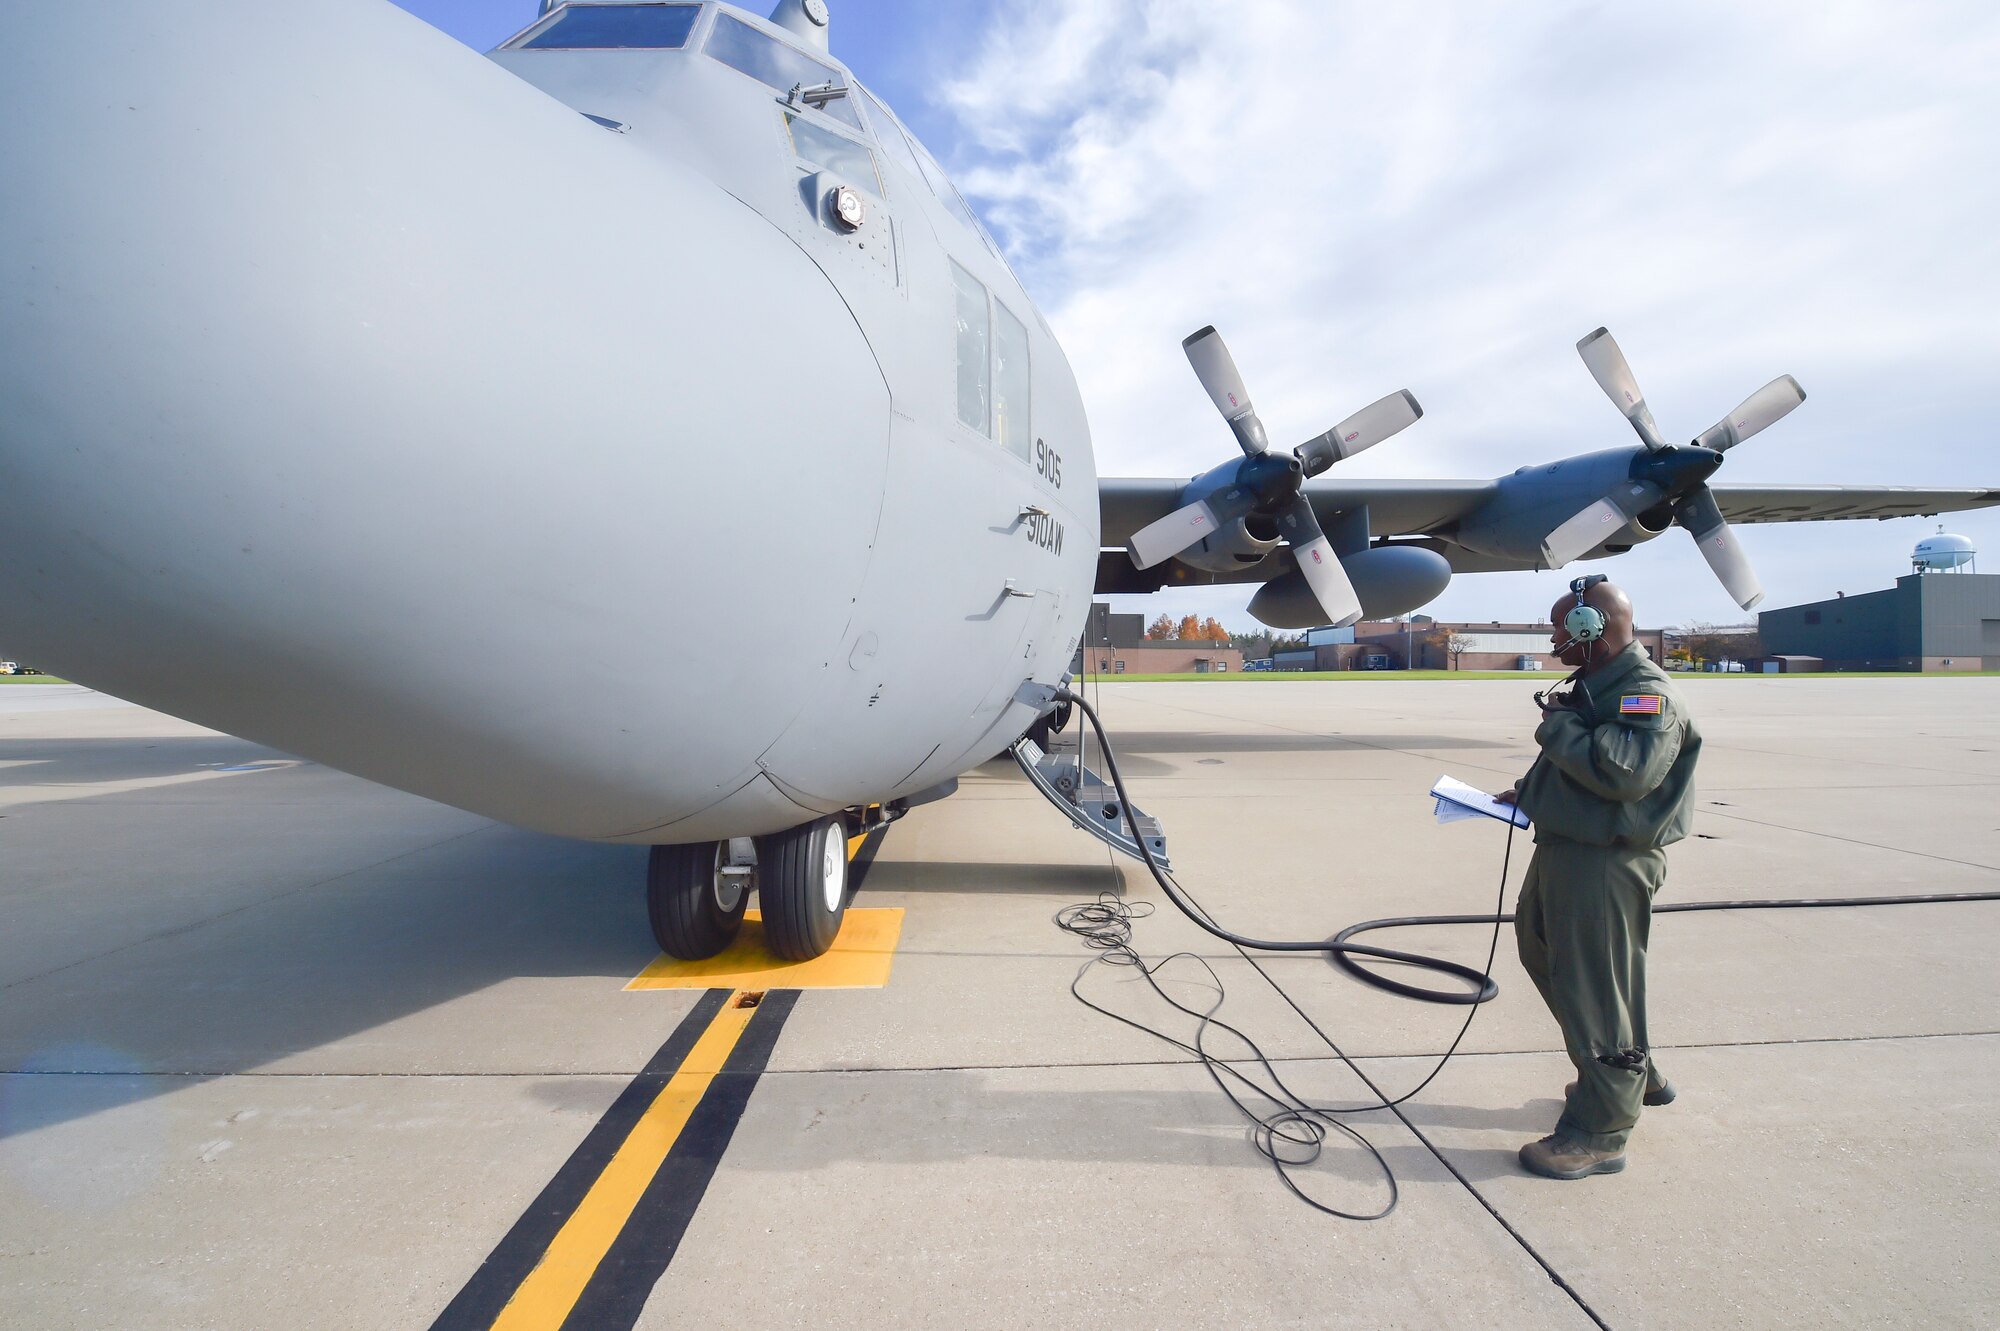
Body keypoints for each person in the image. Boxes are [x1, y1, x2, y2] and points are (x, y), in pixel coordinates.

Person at [1495, 577, 1700, 1180]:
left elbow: (1624, 775)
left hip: (1606, 862)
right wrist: (1530, 793)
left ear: (1593, 630)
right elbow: (1579, 771)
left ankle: (1601, 1128)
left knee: (1594, 983)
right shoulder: (1596, 687)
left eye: (1564, 628)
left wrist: (1556, 725)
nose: (1556, 637)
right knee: (1543, 951)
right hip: (1569, 847)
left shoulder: (1644, 695)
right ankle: (1631, 1073)